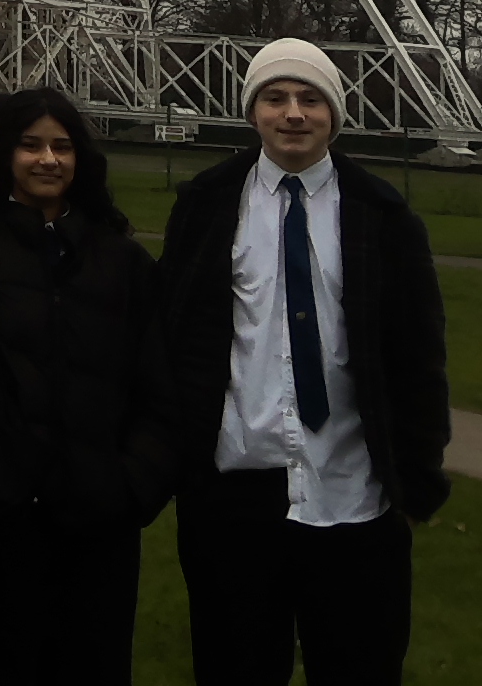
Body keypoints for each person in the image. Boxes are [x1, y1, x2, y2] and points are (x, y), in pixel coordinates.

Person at [154, 37, 447, 686]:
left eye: (310, 99)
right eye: (276, 98)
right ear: (253, 111)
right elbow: (174, 337)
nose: (293, 113)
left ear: (333, 114)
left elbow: (418, 355)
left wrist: (418, 477)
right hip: (235, 493)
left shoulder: (382, 215)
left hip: (352, 490)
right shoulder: (207, 205)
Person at [0, 89, 174, 686]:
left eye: (61, 146)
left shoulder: (123, 261)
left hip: (100, 518)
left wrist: (134, 485)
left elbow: (158, 386)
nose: (47, 159)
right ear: (5, 155)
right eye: (30, 146)